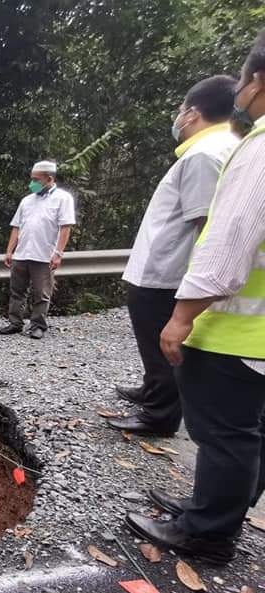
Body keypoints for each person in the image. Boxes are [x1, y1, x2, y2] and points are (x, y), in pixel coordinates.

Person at [126, 31, 265, 563]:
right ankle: (215, 508)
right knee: (248, 432)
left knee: (225, 433)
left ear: (254, 82)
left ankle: (207, 532)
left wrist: (182, 315)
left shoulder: (245, 149)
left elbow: (226, 237)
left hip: (237, 326)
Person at [109, 75, 239, 437]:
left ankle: (159, 416)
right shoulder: (215, 150)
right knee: (152, 343)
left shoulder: (205, 154)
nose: (178, 118)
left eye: (181, 111)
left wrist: (197, 285)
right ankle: (154, 393)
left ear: (194, 113)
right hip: (160, 269)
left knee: (161, 343)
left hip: (167, 274)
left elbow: (207, 226)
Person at [0, 161, 76, 339]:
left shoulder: (63, 199)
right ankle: (15, 322)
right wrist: (10, 251)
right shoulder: (27, 200)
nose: (32, 183)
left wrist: (58, 253)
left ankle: (38, 325)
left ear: (49, 179)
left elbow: (65, 228)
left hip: (44, 255)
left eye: (36, 179)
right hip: (22, 253)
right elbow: (16, 227)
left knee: (41, 293)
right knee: (17, 291)